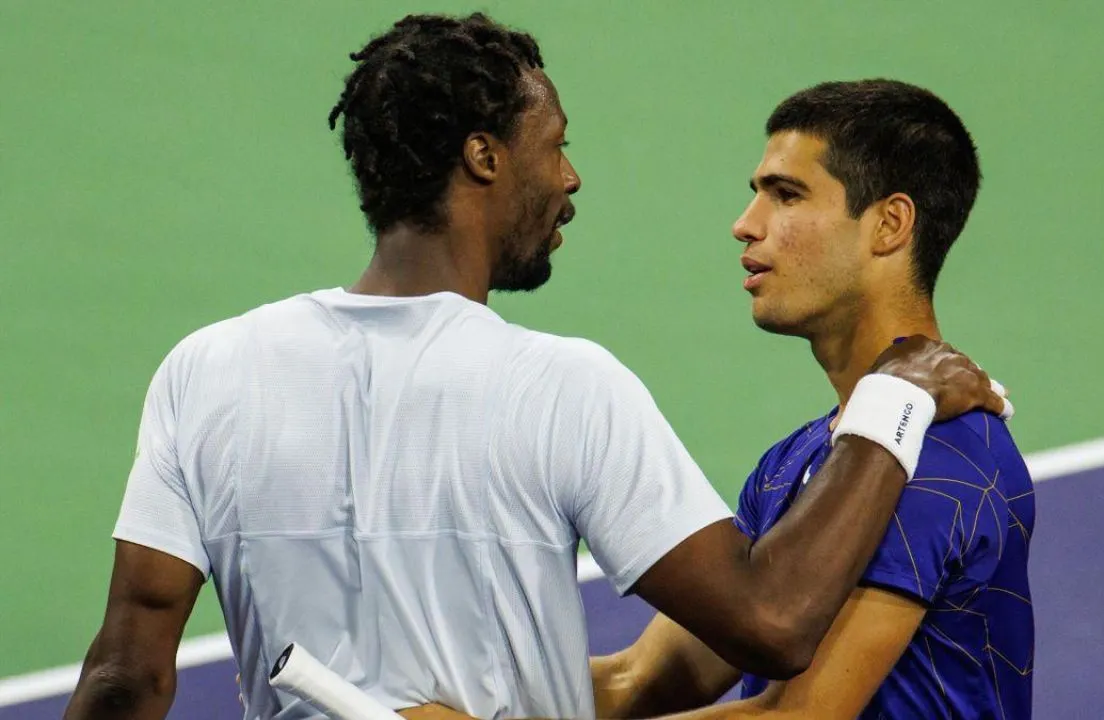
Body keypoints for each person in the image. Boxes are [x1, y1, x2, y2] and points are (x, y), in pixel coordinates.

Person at [62, 14, 1008, 720]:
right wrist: (892, 400)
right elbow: (761, 625)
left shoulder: (205, 370)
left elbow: (123, 676)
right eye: (553, 146)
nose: (571, 178)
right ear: (483, 157)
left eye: (782, 193)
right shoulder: (571, 389)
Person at [580, 80, 1035, 719]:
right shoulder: (794, 464)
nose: (746, 225)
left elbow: (792, 718)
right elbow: (638, 677)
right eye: (756, 194)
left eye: (786, 195)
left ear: (889, 225)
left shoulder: (938, 458)